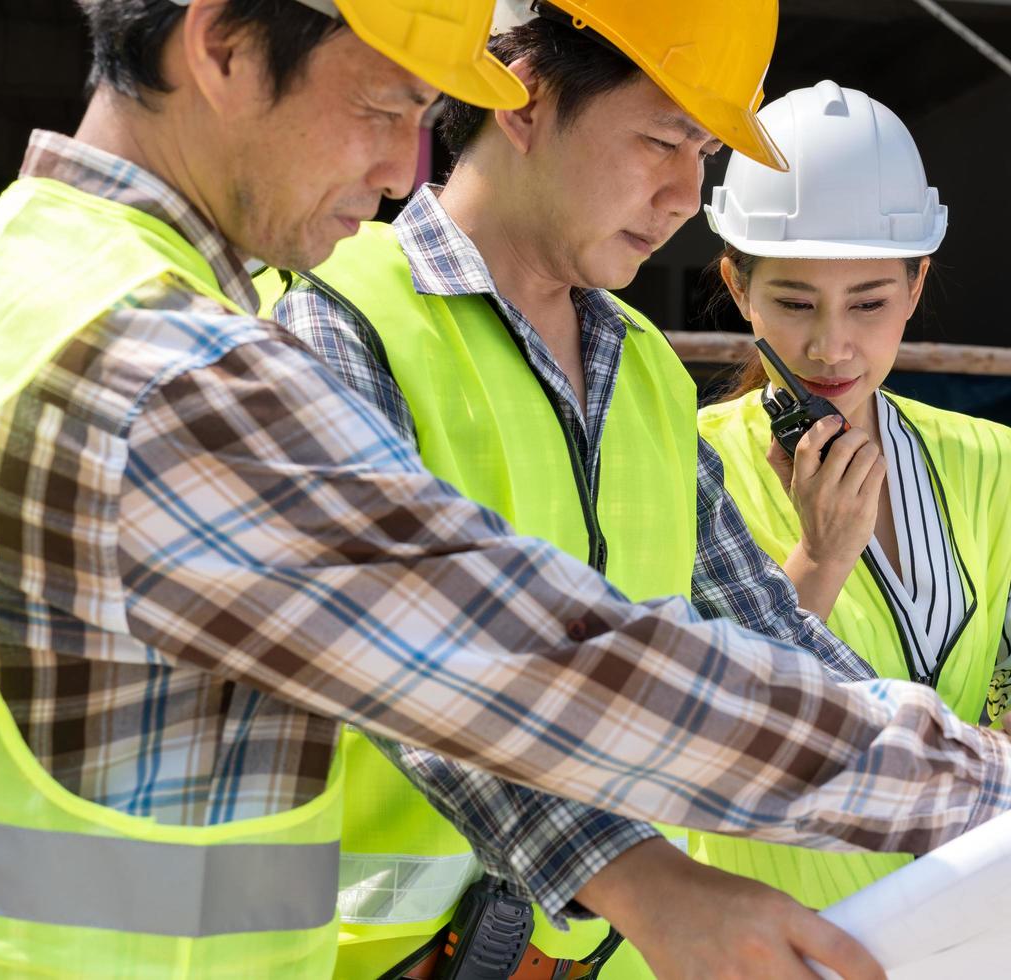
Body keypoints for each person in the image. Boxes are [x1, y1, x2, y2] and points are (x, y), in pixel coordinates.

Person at [0, 4, 1011, 979]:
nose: (400, 166)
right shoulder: (185, 364)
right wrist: (996, 793)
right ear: (222, 44)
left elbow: (744, 631)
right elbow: (525, 661)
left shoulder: (34, 277)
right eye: (383, 106)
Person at [267, 6, 965, 977]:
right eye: (662, 140)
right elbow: (411, 674)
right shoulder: (336, 325)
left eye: (705, 153)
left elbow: (774, 650)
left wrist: (985, 786)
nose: (686, 192)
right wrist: (644, 881)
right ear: (526, 97)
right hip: (371, 956)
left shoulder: (641, 372)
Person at [691, 80, 1011, 912]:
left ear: (916, 289)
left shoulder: (992, 460)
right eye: (795, 302)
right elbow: (694, 731)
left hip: (962, 920)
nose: (831, 343)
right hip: (767, 933)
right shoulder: (684, 460)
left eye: (870, 303)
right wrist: (819, 558)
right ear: (740, 289)